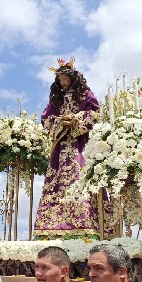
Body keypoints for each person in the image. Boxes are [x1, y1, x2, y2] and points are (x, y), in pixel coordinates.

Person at [33, 58, 100, 239]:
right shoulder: (56, 99)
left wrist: (76, 120)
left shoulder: (86, 95)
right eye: (60, 79)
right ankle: (53, 226)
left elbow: (95, 113)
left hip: (81, 144)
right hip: (61, 147)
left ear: (72, 78)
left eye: (65, 78)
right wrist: (61, 122)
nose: (62, 82)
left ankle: (84, 223)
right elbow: (46, 119)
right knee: (57, 182)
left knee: (80, 178)